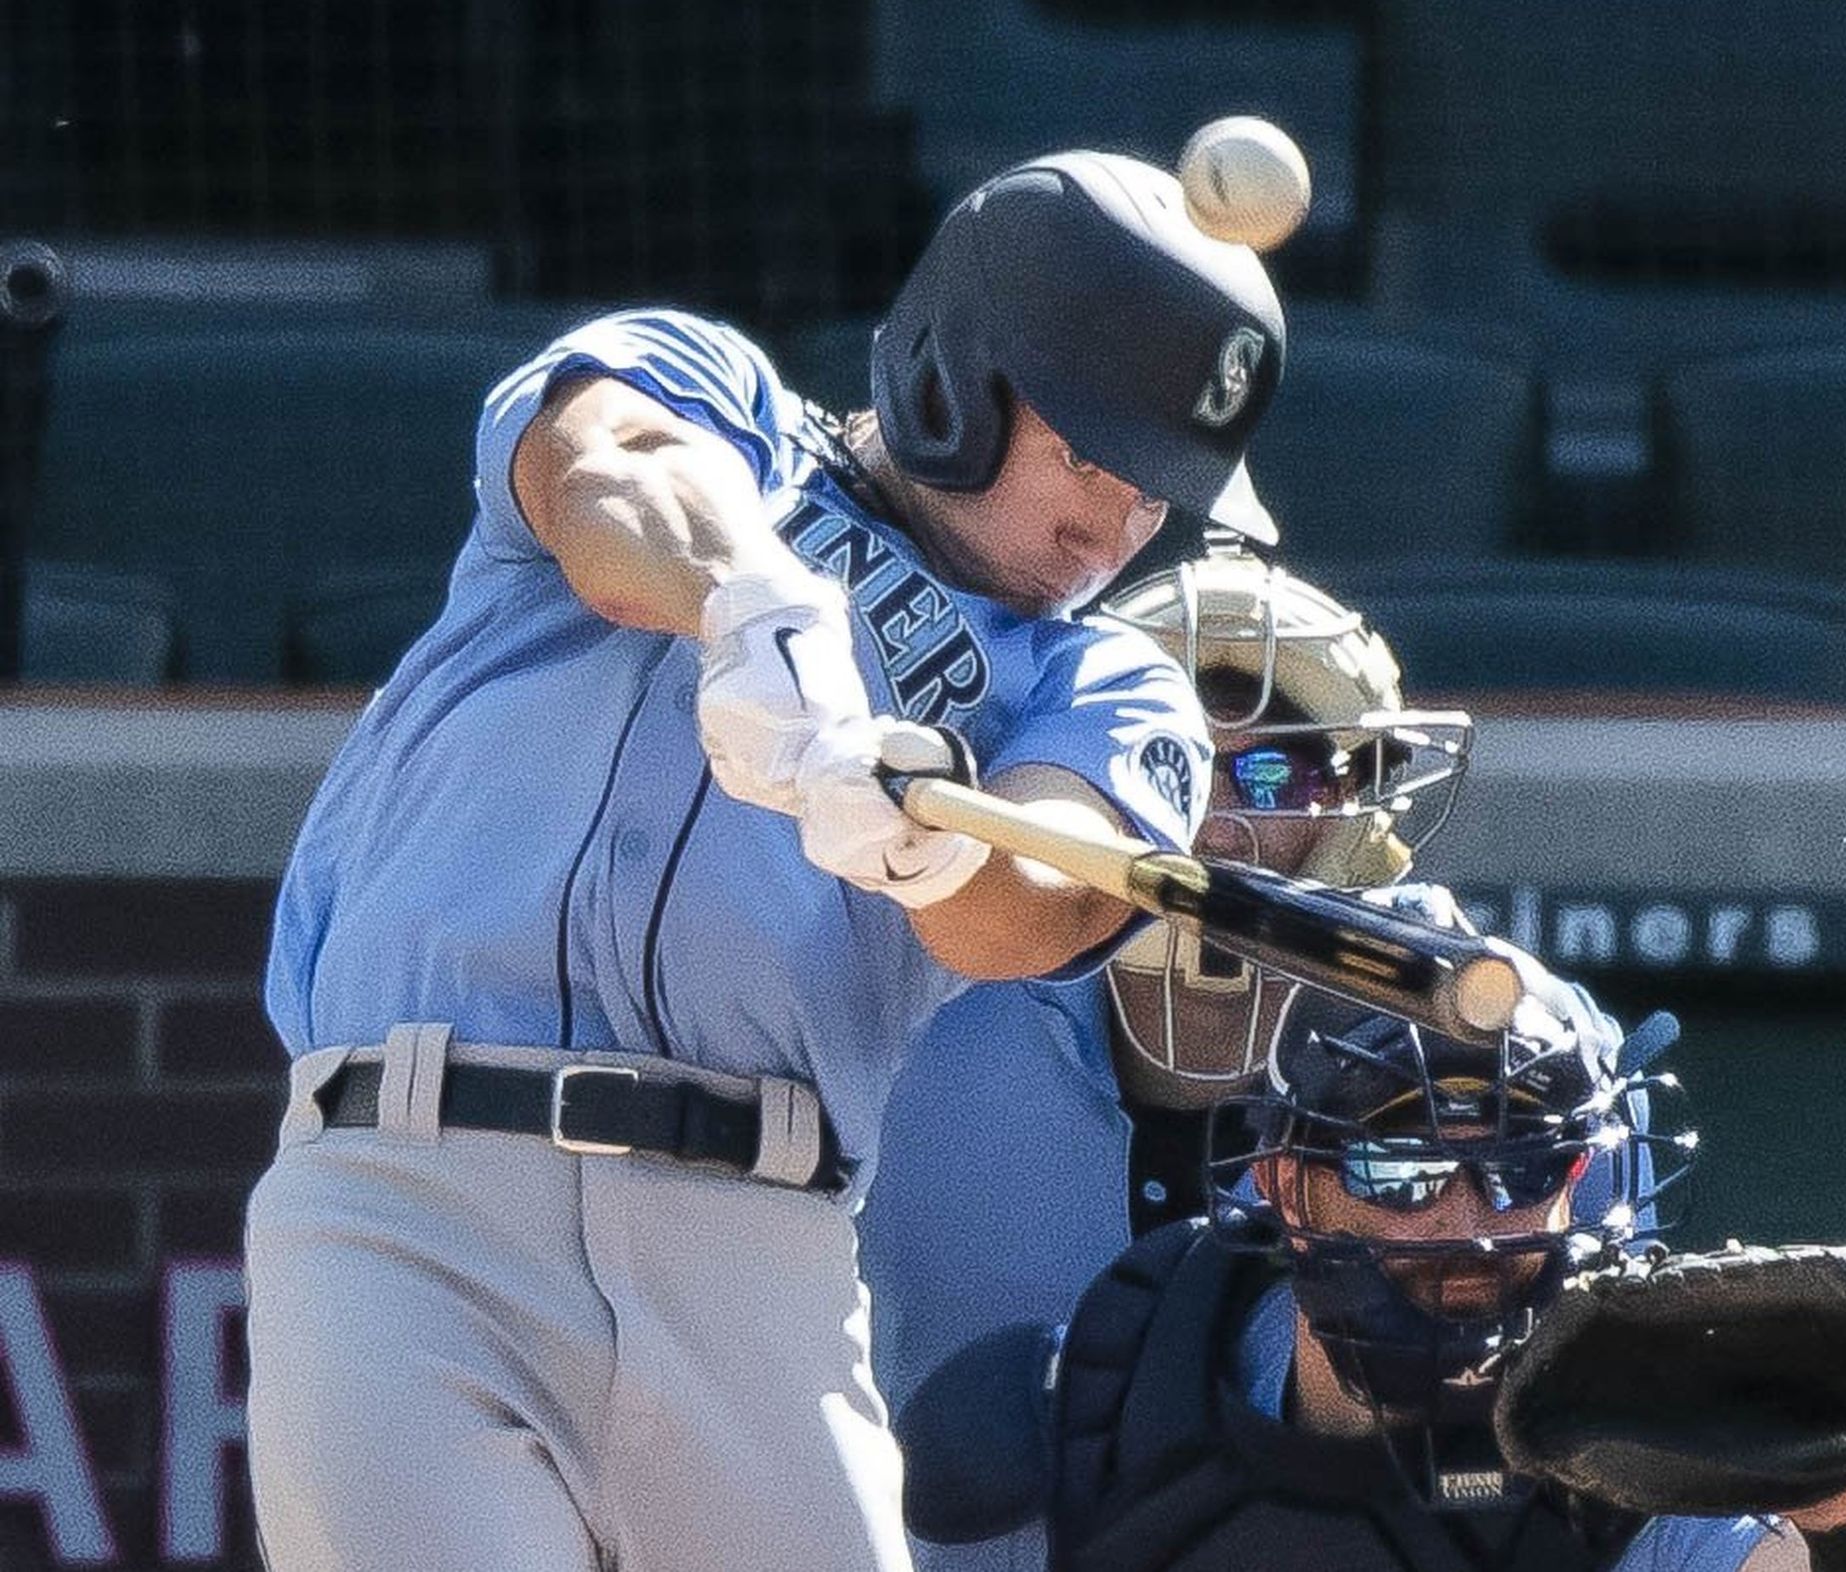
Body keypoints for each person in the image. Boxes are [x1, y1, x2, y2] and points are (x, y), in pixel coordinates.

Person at [242, 147, 1288, 1572]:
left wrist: (919, 845)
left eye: (1157, 495)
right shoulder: (709, 390)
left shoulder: (1105, 680)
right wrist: (754, 609)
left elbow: (1037, 903)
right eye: (1088, 456)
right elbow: (608, 477)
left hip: (760, 1255)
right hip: (420, 1204)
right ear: (956, 376)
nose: (1109, 528)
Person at [898, 981, 1846, 1571]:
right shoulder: (1120, 1389)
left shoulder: (1633, 1412)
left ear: (1582, 1177)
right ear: (1288, 1185)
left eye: (1521, 1165)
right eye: (1399, 1166)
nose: (1467, 1229)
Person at [856, 541, 1474, 1569]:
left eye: (1275, 771)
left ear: (1356, 803)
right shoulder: (904, 1016)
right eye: (1175, 762)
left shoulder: (1487, 1030)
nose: (1219, 822)